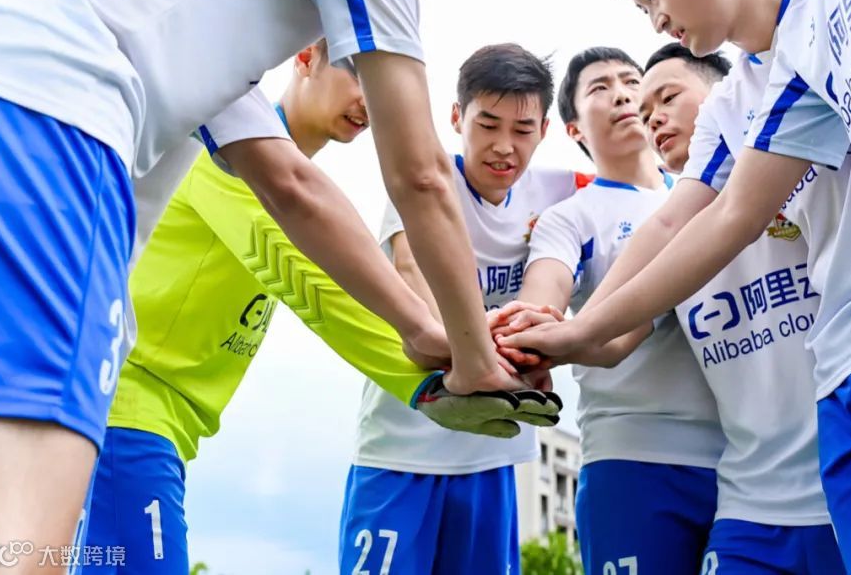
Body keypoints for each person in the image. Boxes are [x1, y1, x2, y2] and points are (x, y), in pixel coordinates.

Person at [0, 0, 548, 562]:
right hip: (51, 128)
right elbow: (416, 177)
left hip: (28, 127)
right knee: (26, 520)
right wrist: (462, 360)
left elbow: (293, 186)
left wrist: (426, 331)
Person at [506, 0, 851, 574]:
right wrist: (573, 330)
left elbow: (736, 214)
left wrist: (582, 332)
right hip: (843, 382)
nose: (655, 20)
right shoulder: (733, 108)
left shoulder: (834, 5)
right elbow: (674, 220)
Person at [78, 41, 532, 574]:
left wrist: (466, 342)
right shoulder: (224, 152)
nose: (368, 100)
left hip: (161, 428)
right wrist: (426, 378)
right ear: (307, 56)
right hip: (127, 410)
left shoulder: (302, 193)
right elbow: (309, 280)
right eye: (356, 74)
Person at [339, 43, 583, 575]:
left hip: (491, 457)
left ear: (545, 130)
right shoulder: (427, 183)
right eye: (487, 125)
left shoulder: (560, 192)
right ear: (457, 118)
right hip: (401, 449)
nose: (504, 147)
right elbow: (412, 274)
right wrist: (473, 347)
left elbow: (634, 190)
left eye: (522, 130)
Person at [500, 47, 725, 575]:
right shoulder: (570, 217)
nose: (623, 94)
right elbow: (540, 301)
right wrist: (533, 331)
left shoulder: (716, 192)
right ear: (574, 129)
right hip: (632, 462)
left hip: (743, 462)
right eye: (600, 88)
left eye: (631, 82)